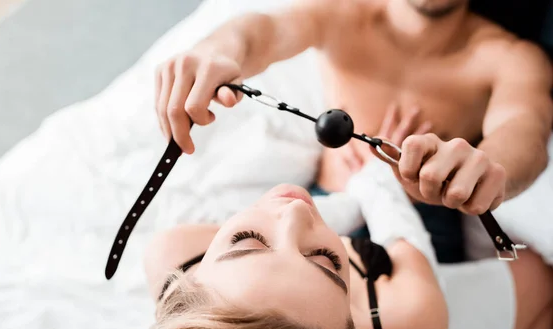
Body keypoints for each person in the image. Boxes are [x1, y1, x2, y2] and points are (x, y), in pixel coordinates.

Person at [154, 0, 553, 263]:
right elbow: (264, 32)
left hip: (428, 235)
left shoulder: (512, 58)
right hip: (322, 209)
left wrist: (487, 171)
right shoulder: (343, 12)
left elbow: (523, 133)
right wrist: (217, 50)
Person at [132, 157, 553, 329]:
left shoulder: (173, 253)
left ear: (184, 289)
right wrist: (370, 179)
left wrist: (337, 211)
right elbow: (405, 242)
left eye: (247, 240)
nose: (296, 213)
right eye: (325, 261)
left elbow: (304, 215)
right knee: (541, 279)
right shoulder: (410, 322)